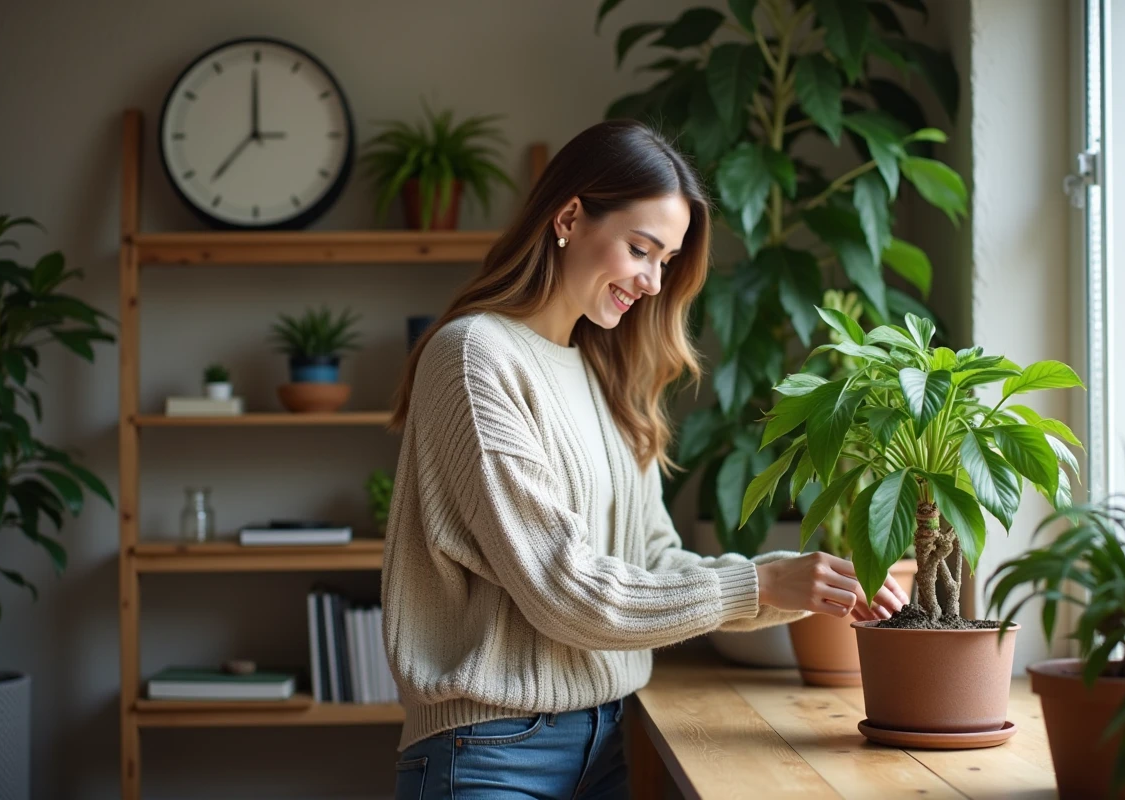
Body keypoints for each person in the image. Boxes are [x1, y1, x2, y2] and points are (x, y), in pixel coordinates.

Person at [381, 119, 908, 800]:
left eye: (667, 261)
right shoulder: (475, 356)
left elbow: (654, 561)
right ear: (569, 218)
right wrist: (761, 584)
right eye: (640, 249)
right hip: (488, 754)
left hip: (605, 739)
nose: (655, 282)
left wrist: (801, 587)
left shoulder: (604, 376)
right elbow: (564, 591)